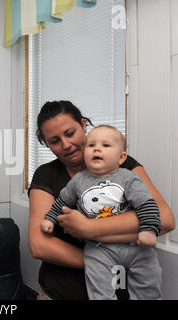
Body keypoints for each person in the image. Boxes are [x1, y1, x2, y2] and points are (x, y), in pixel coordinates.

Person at [28, 100, 175, 300]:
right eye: (54, 141)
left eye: (70, 133)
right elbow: (40, 245)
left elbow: (164, 219)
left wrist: (89, 229)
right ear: (47, 144)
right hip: (60, 293)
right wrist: (103, 260)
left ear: (83, 124)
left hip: (122, 291)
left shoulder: (123, 166)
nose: (66, 145)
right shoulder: (46, 175)